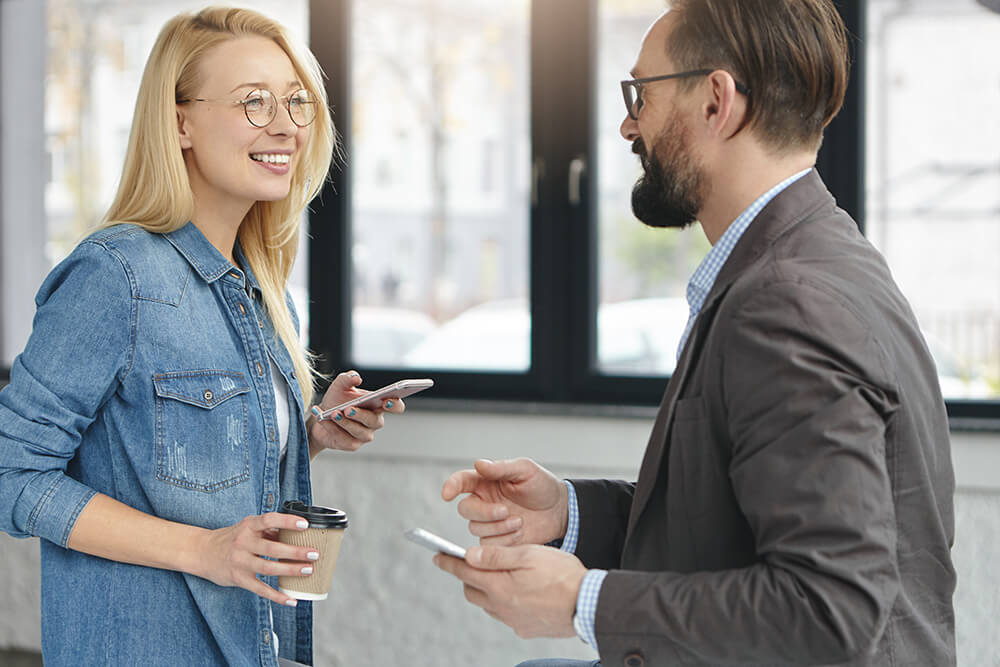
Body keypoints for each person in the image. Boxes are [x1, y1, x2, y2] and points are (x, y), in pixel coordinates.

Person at [433, 1, 956, 665]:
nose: (628, 124)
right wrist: (569, 515)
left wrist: (582, 601)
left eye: (640, 94)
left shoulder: (785, 302)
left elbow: (830, 609)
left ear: (716, 101)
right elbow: (728, 529)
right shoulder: (812, 258)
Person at [0, 7, 405, 666]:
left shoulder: (263, 292)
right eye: (254, 102)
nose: (285, 125)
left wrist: (305, 433)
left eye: (296, 101)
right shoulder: (115, 274)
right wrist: (202, 548)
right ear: (180, 121)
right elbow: (10, 473)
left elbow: (187, 463)